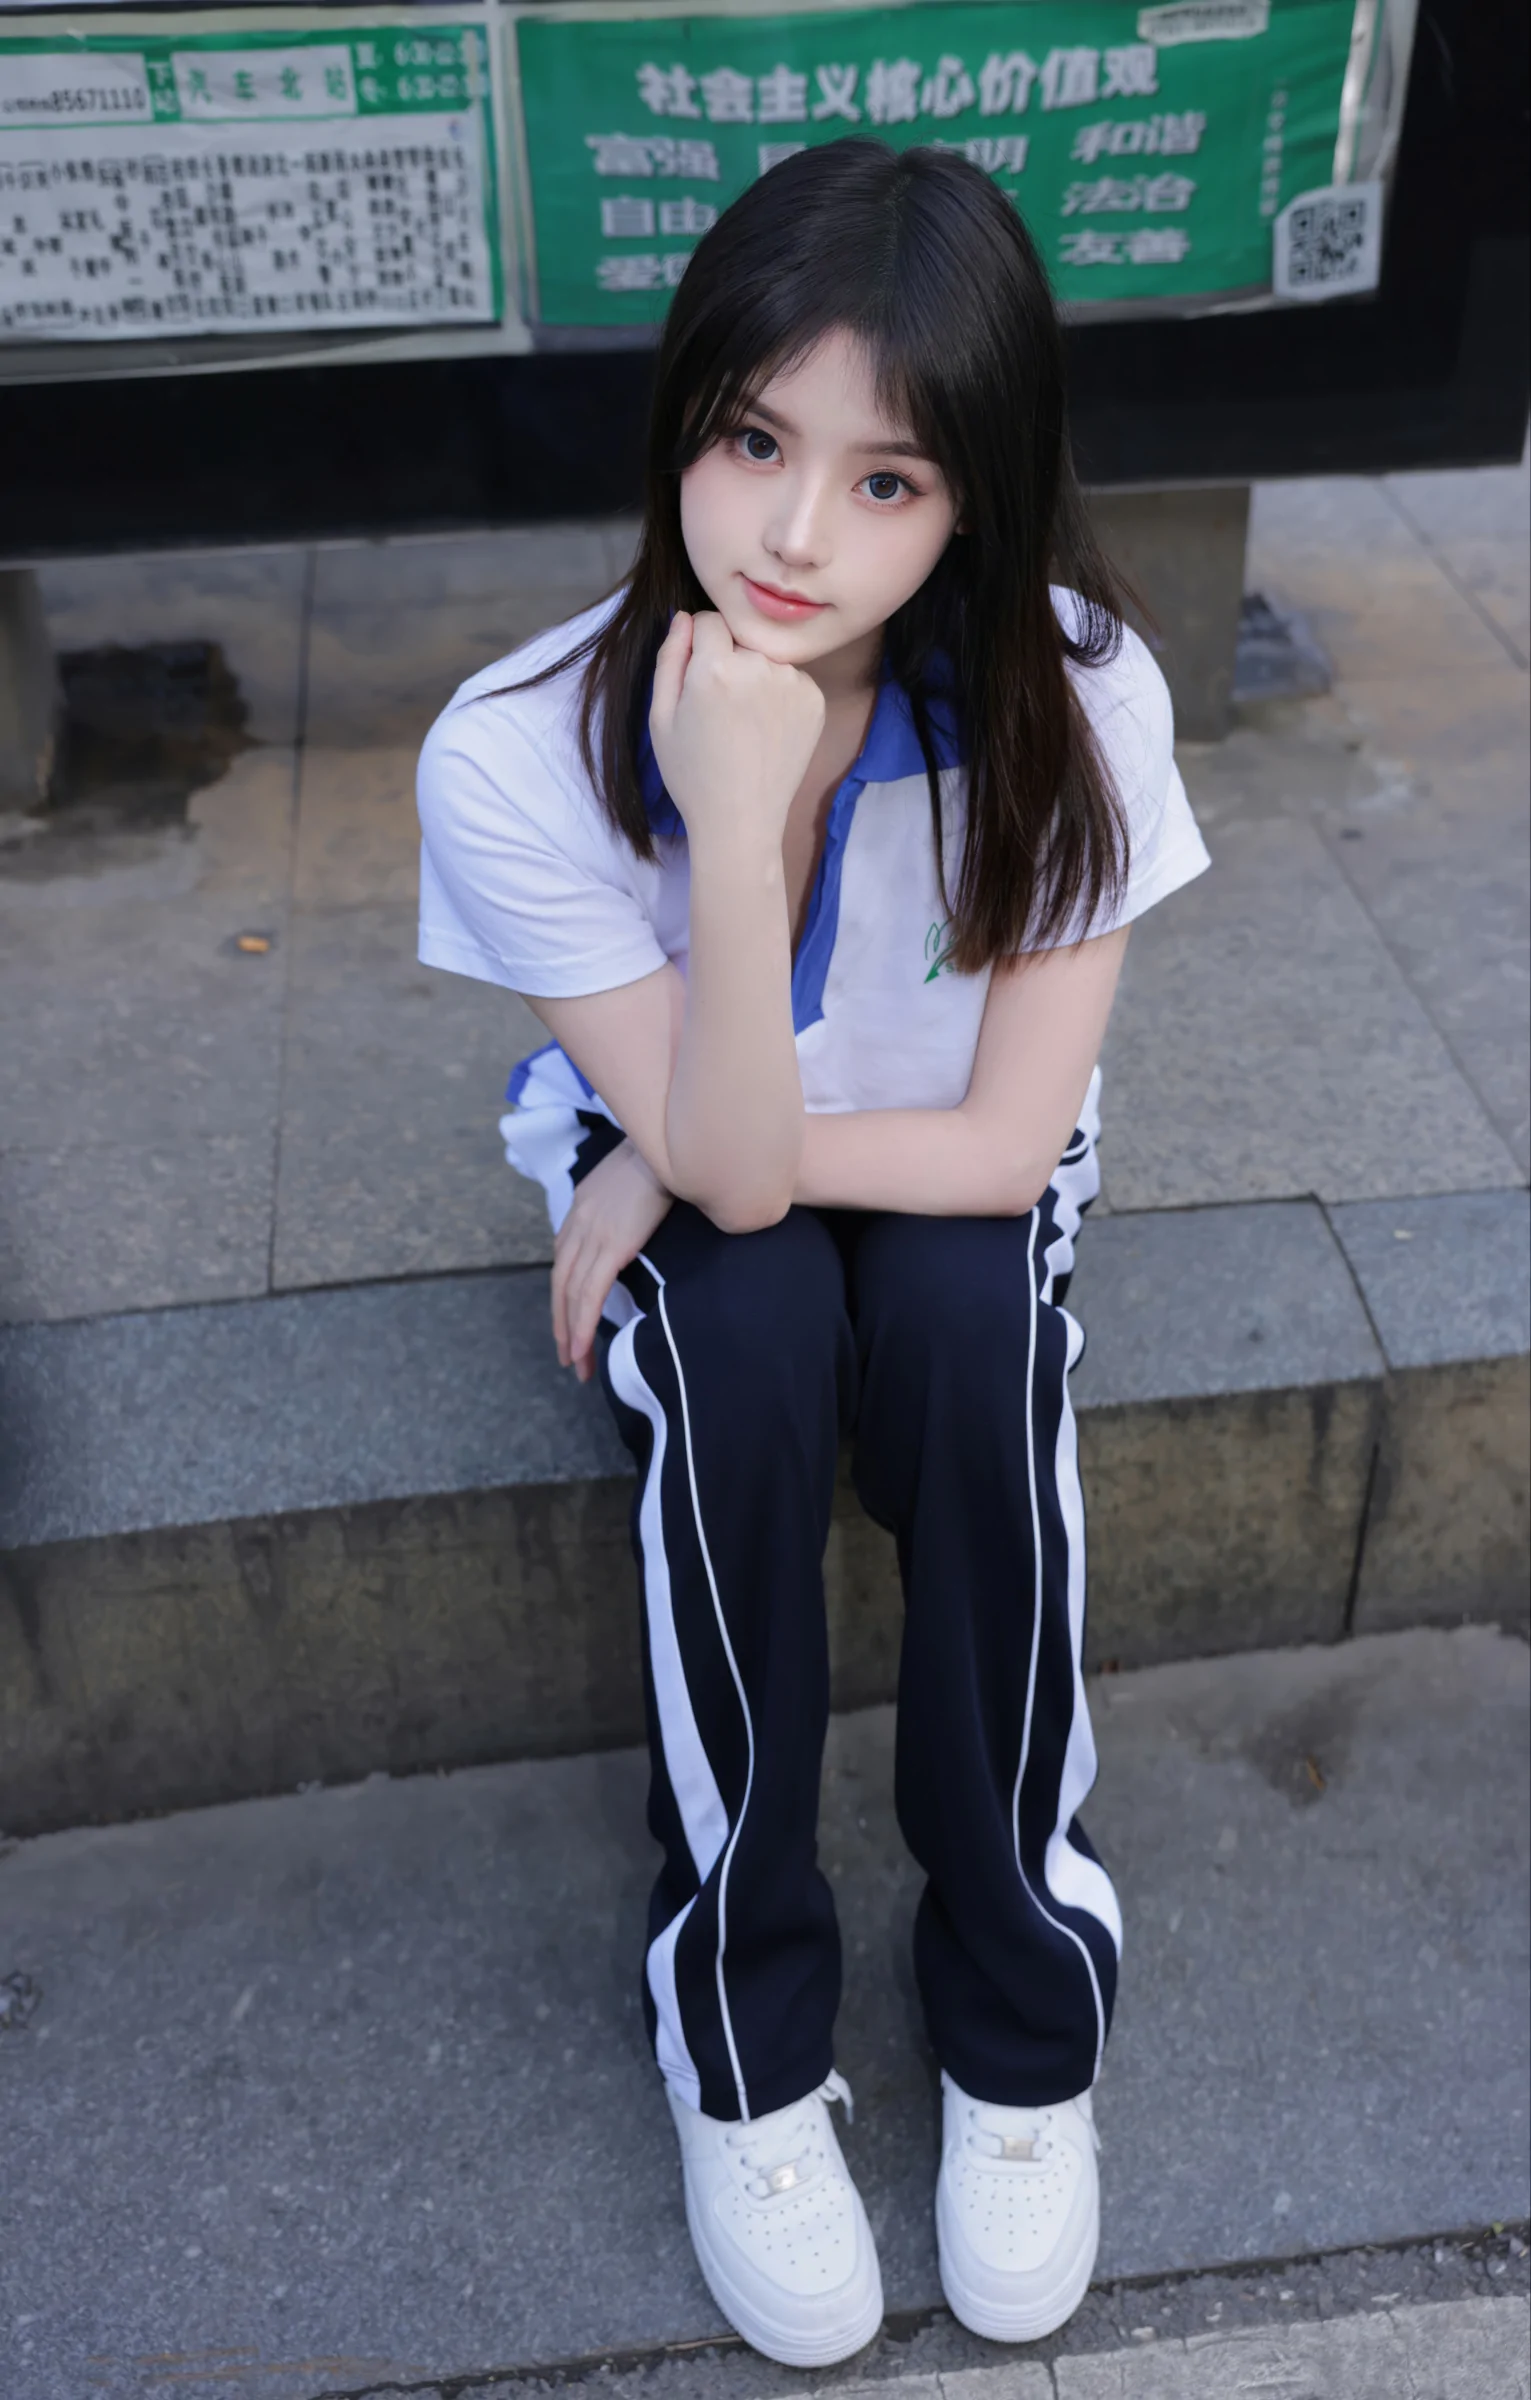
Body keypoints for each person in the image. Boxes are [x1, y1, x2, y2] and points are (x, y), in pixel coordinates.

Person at [416, 139, 1209, 2370]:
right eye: (754, 442)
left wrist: (675, 1161)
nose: (791, 536)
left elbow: (1001, 1148)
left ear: (980, 497)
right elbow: (747, 1187)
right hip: (727, 1153)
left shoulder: (1079, 698)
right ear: (679, 415)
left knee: (970, 1333)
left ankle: (1020, 2014)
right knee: (745, 1349)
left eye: (886, 481)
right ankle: (745, 2049)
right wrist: (733, 824)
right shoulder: (515, 752)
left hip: (917, 1165)